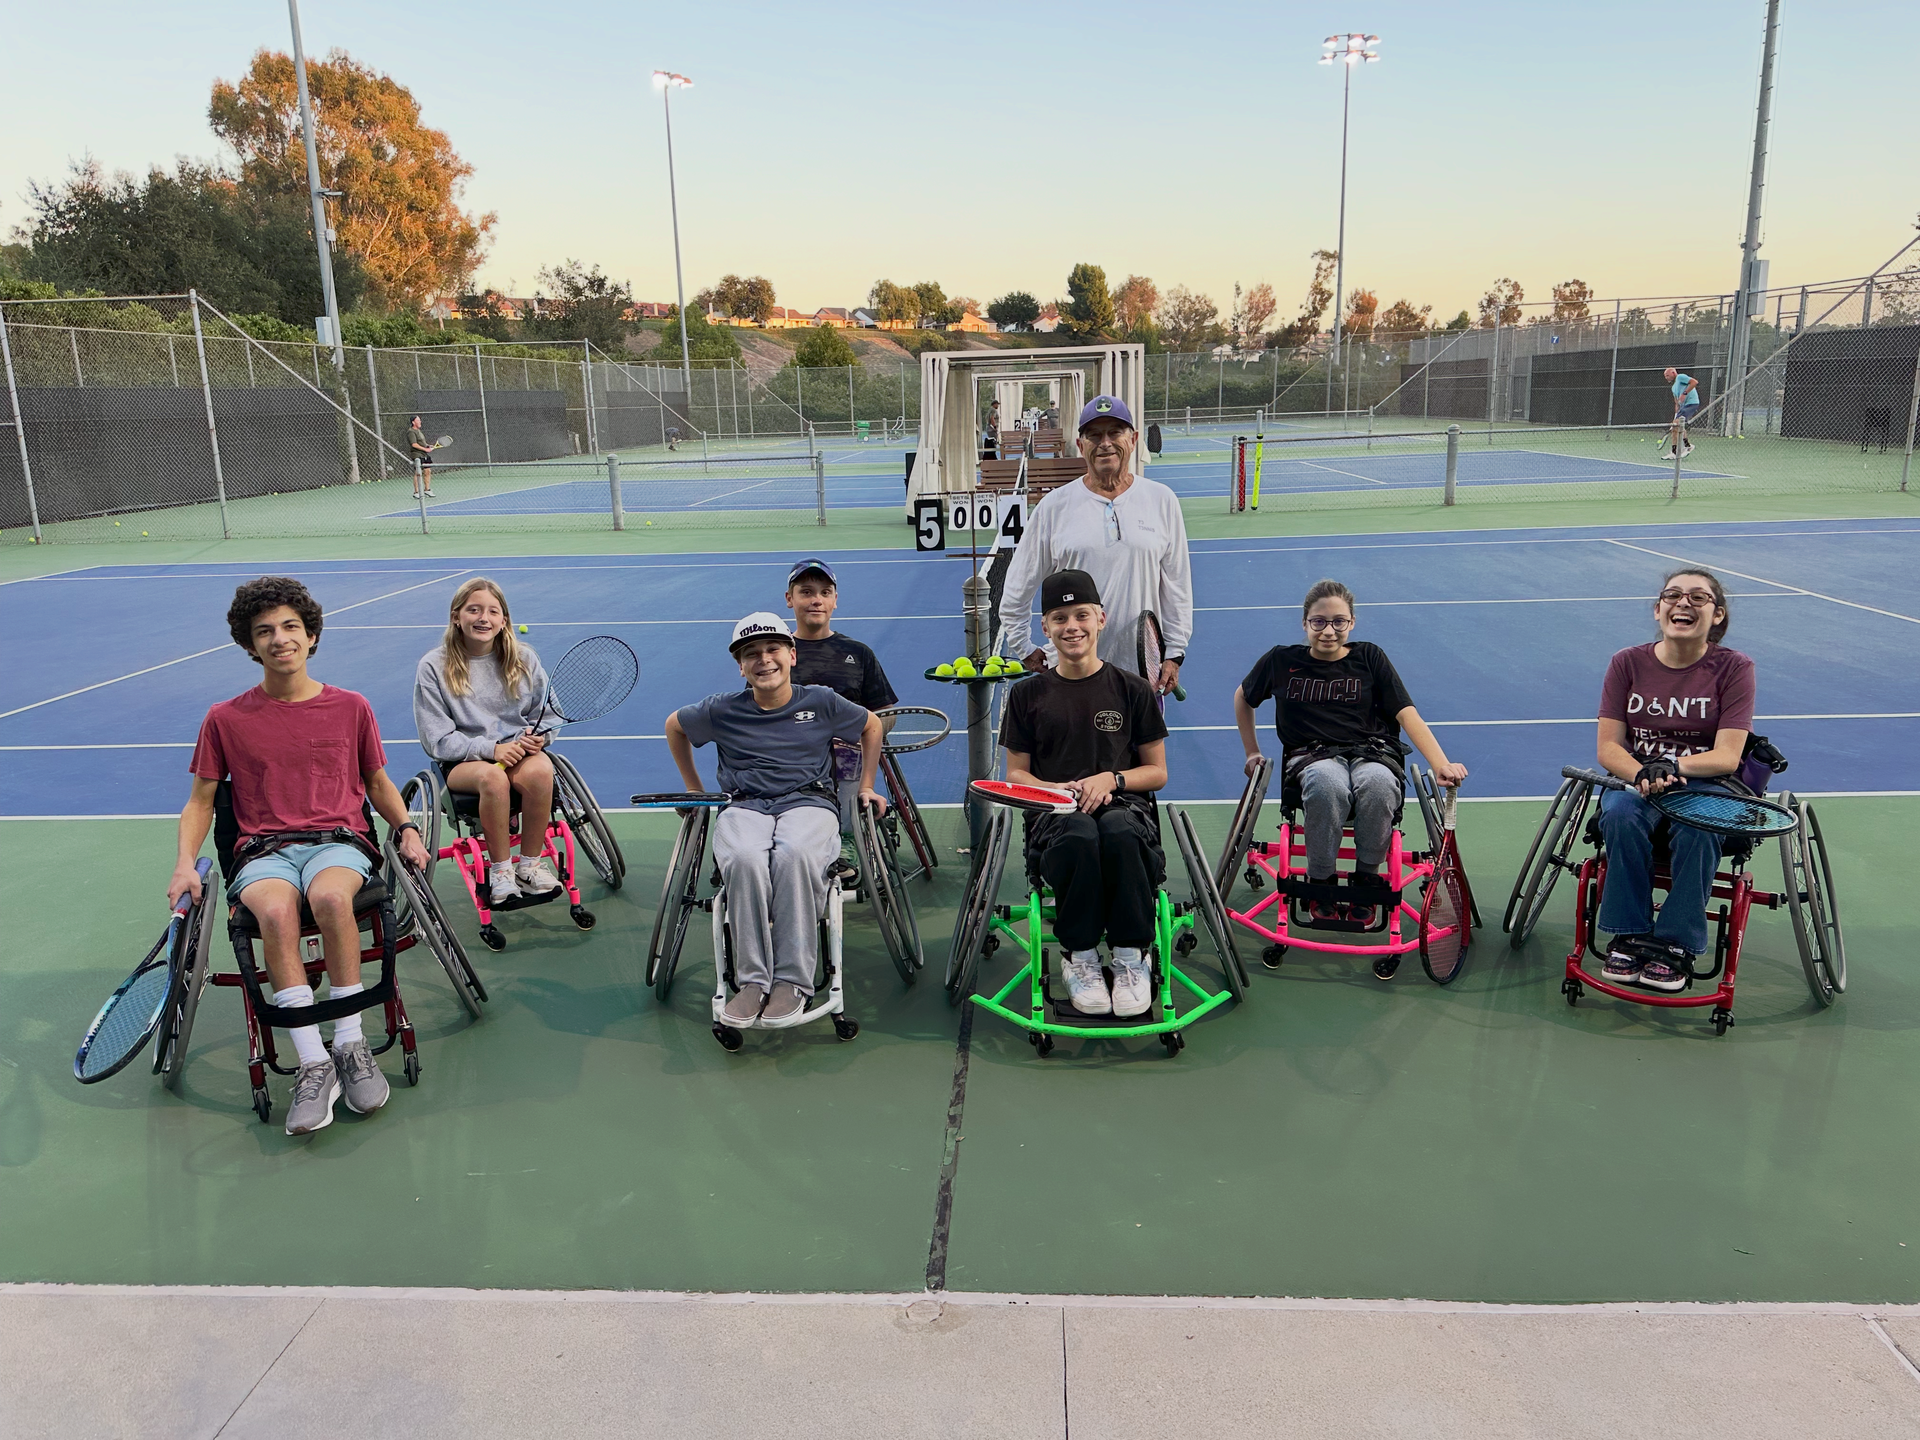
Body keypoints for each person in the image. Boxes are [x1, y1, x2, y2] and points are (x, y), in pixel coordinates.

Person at [168, 577, 431, 1136]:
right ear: (249, 645)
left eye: (290, 627)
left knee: (332, 896)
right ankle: (314, 1062)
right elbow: (200, 802)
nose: (279, 639)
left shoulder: (351, 707)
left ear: (311, 637)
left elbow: (377, 782)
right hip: (262, 851)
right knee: (276, 912)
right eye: (264, 632)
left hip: (337, 842)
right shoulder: (225, 718)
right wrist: (184, 865)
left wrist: (406, 827)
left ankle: (352, 1047)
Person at [1233, 579, 1469, 977]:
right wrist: (1251, 751)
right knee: (1325, 783)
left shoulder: (1370, 658)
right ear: (1304, 623)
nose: (1329, 630)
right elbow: (1244, 697)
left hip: (1372, 752)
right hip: (1311, 755)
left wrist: (1440, 763)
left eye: (1339, 622)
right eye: (1319, 622)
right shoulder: (1280, 660)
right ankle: (1320, 881)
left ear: (1353, 623)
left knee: (1378, 784)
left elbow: (1405, 713)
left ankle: (1366, 878)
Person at [665, 613, 887, 1026]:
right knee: (746, 857)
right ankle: (752, 981)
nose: (764, 660)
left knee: (795, 854)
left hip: (808, 803)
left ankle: (793, 981)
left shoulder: (820, 700)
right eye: (752, 655)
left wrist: (866, 786)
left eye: (772, 650)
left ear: (791, 654)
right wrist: (695, 790)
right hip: (745, 805)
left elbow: (871, 725)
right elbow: (674, 727)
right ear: (740, 666)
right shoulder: (721, 709)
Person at [1000, 570, 1169, 1018]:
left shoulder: (1132, 689)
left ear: (1101, 619)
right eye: (1059, 618)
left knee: (1118, 834)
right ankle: (1080, 956)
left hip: (1122, 804)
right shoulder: (1026, 695)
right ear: (1046, 628)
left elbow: (1156, 772)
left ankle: (1132, 956)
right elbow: (1016, 773)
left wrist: (1111, 779)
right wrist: (1056, 789)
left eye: (1081, 615)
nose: (1071, 626)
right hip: (1055, 813)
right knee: (1078, 835)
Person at [1594, 569, 1755, 992]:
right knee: (1620, 814)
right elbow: (1609, 748)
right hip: (1637, 780)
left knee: (1700, 827)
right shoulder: (1627, 662)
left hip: (1703, 781)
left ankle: (1676, 943)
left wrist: (1672, 767)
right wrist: (1642, 773)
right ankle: (1627, 933)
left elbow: (1728, 756)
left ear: (1717, 615)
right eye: (1673, 595)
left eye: (1698, 598)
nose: (1683, 603)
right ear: (1658, 609)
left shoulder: (1734, 668)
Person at [998, 395, 1192, 697]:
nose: (1105, 443)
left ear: (1134, 439)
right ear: (1081, 445)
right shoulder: (1053, 507)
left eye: (1115, 432)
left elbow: (1177, 585)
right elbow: (1016, 587)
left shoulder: (1162, 500)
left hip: (1141, 676)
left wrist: (1175, 651)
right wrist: (1023, 646)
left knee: (1147, 747)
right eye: (1094, 435)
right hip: (1071, 675)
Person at [412, 578, 563, 907]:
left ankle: (529, 866)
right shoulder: (433, 666)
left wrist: (540, 737)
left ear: (504, 620)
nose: (484, 618)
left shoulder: (524, 659)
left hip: (519, 753)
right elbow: (437, 739)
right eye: (474, 610)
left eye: (493, 611)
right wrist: (491, 750)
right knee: (492, 777)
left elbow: (549, 715)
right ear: (456, 616)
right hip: (464, 762)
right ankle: (501, 872)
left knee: (541, 771)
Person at [783, 557, 898, 846]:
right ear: (790, 599)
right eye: (806, 592)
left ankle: (846, 841)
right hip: (790, 758)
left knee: (846, 762)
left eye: (824, 593)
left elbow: (886, 713)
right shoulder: (774, 653)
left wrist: (853, 737)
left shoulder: (858, 653)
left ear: (835, 600)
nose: (816, 600)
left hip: (847, 758)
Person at [1662, 367, 1701, 459]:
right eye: (1665, 376)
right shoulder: (1673, 388)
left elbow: (1694, 382)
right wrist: (1676, 415)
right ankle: (1678, 450)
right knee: (1676, 428)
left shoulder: (1680, 377)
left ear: (1673, 373)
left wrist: (1684, 393)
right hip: (1683, 407)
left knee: (1677, 425)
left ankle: (1683, 448)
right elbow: (1677, 403)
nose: (1666, 378)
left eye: (1667, 375)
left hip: (1692, 403)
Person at [406, 416, 435, 498]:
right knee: (418, 473)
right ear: (413, 422)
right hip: (417, 454)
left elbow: (422, 443)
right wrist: (425, 449)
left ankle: (427, 490)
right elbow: (414, 444)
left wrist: (428, 446)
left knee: (427, 471)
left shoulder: (418, 431)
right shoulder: (411, 432)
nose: (420, 422)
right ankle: (416, 492)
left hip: (424, 454)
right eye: (418, 420)